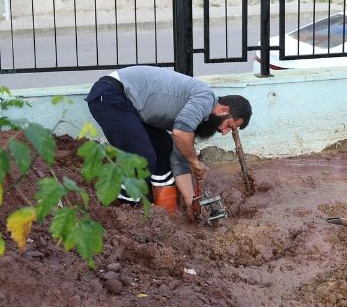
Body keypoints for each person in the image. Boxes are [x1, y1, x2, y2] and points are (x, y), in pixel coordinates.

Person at [85, 65, 252, 219]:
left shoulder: (196, 120)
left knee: (165, 151)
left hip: (131, 108)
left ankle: (165, 214)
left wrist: (192, 202)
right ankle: (122, 215)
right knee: (142, 157)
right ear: (223, 110)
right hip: (111, 95)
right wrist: (194, 161)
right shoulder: (205, 98)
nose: (224, 132)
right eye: (229, 126)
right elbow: (180, 133)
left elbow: (179, 162)